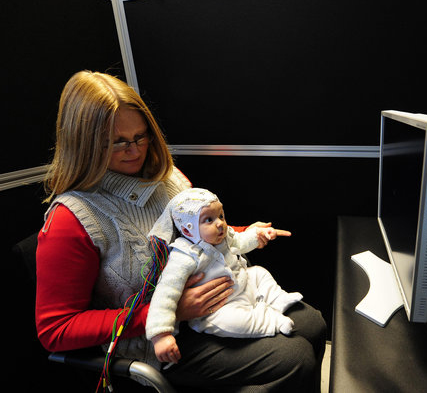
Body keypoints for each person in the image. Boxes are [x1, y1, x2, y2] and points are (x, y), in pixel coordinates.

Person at [35, 70, 327, 392]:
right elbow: (55, 330)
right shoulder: (71, 219)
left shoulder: (169, 178)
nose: (135, 150)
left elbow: (194, 234)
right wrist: (168, 312)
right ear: (84, 144)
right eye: (117, 142)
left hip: (222, 303)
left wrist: (245, 233)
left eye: (141, 136)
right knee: (294, 358)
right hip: (159, 341)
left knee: (313, 325)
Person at [147, 188, 304, 364]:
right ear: (188, 230)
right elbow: (164, 294)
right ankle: (271, 321)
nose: (220, 223)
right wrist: (160, 335)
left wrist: (258, 234)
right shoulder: (183, 257)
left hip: (242, 285)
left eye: (220, 216)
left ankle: (277, 299)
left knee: (259, 272)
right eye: (209, 219)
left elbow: (241, 240)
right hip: (218, 308)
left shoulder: (223, 236)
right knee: (232, 322)